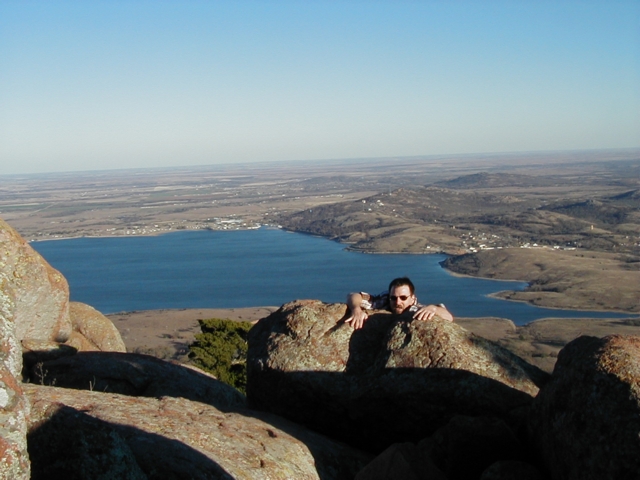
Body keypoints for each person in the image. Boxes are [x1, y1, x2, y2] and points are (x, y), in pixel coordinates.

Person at [345, 276, 453, 329]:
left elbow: (448, 317)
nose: (398, 302)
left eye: (403, 297)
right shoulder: (385, 300)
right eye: (393, 297)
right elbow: (354, 295)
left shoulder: (415, 309)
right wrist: (356, 309)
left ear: (412, 298)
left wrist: (433, 308)